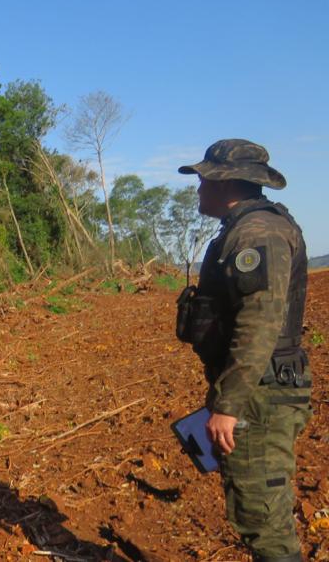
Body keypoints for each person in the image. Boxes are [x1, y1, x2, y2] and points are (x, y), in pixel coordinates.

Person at [175, 139, 313, 562]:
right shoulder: (244, 229)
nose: (198, 189)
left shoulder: (258, 234)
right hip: (257, 391)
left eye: (203, 180)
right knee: (258, 510)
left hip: (259, 396)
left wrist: (229, 404)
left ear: (226, 182)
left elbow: (259, 325)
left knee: (263, 519)